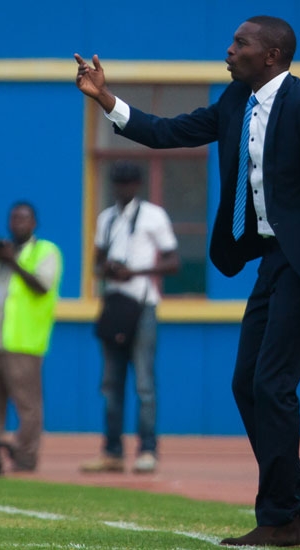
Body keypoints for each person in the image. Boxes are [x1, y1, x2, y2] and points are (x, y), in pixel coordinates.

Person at [75, 14, 300, 547]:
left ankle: (281, 517)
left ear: (272, 55)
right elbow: (167, 133)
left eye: (241, 43)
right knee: (247, 384)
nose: (229, 50)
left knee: (272, 386)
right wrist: (105, 99)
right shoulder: (235, 103)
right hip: (273, 262)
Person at [79, 161, 180, 475]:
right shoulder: (106, 219)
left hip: (143, 303)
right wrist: (107, 270)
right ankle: (112, 452)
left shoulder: (153, 216)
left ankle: (147, 450)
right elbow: (96, 264)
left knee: (144, 384)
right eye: (118, 183)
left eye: (128, 183)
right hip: (113, 304)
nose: (122, 189)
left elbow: (173, 262)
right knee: (111, 383)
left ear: (137, 186)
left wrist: (133, 272)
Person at [0, 201, 63, 472]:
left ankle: (25, 458)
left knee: (27, 405)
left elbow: (41, 288)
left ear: (33, 223)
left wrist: (13, 262)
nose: (16, 224)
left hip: (24, 342)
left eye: (23, 219)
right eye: (13, 219)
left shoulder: (45, 251)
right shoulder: (1, 253)